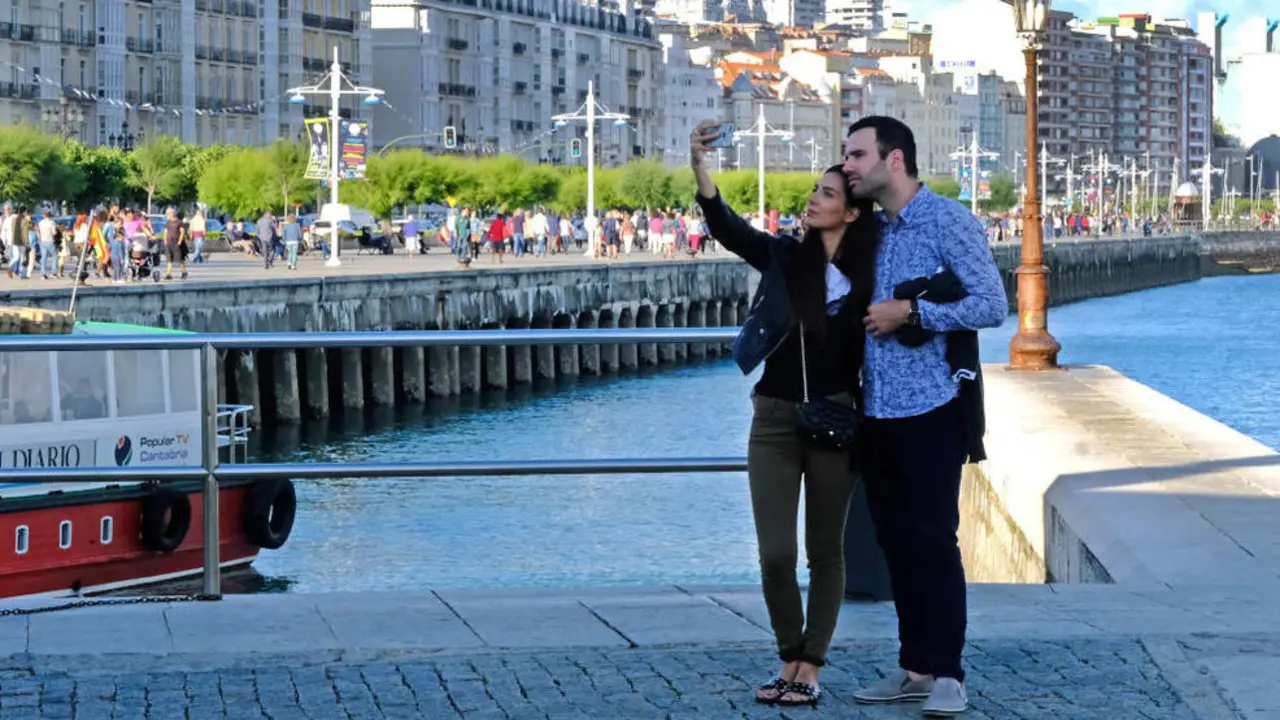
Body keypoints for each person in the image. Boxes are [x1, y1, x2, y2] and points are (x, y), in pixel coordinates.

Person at [690, 119, 880, 708]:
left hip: (836, 421)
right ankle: (787, 653)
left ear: (850, 213)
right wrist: (700, 165)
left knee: (827, 551)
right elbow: (726, 227)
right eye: (816, 190)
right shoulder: (782, 257)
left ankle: (810, 667)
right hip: (772, 420)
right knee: (776, 553)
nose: (814, 198)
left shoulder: (869, 276)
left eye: (828, 193)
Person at [842, 116, 1007, 716]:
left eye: (858, 154)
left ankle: (949, 674)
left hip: (932, 407)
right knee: (895, 542)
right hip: (876, 410)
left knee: (935, 540)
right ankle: (914, 667)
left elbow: (992, 303)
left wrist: (910, 314)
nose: (849, 165)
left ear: (895, 160)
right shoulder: (869, 231)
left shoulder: (947, 221)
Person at [163, 207, 188, 280]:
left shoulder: (179, 222)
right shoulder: (168, 223)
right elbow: (165, 232)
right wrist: (165, 241)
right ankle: (169, 274)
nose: (168, 215)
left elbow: (182, 232)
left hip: (177, 242)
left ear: (173, 213)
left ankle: (184, 272)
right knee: (169, 259)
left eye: (169, 213)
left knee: (179, 259)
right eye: (167, 214)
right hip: (169, 242)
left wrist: (179, 242)